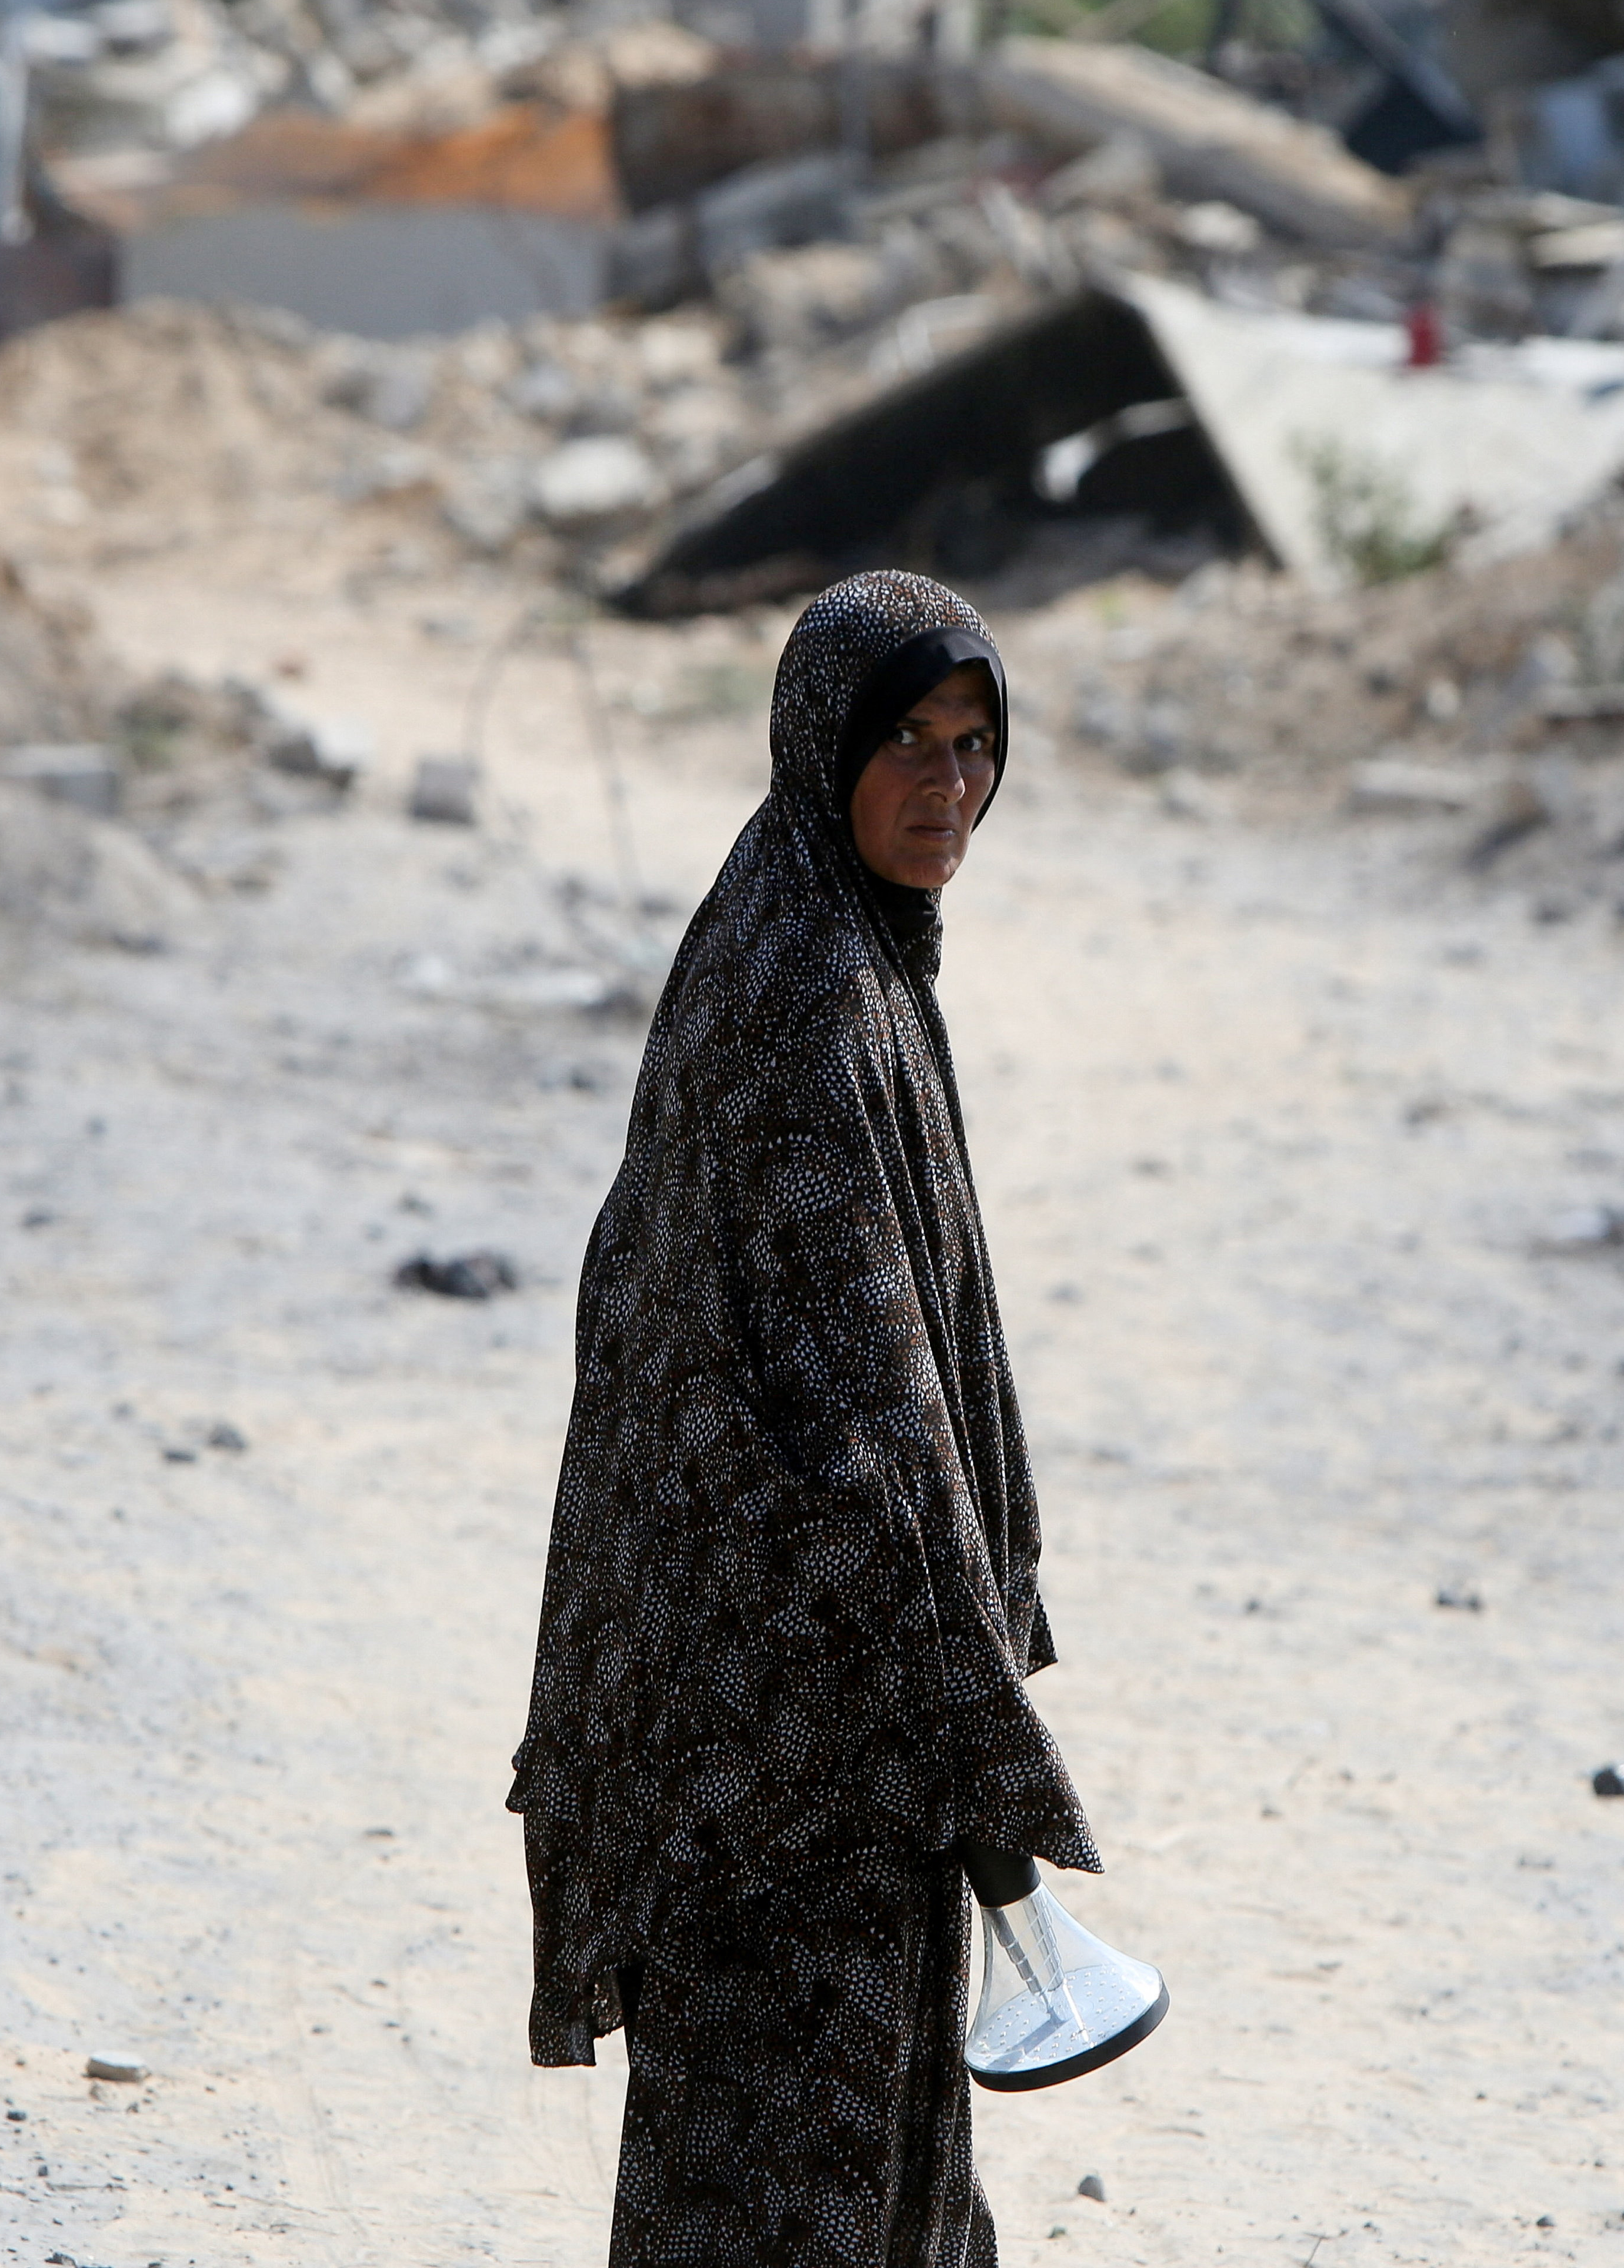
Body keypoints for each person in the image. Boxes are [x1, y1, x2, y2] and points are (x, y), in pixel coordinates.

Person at [509, 571, 1097, 2267]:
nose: (947, 786)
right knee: (798, 2180)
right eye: (906, 741)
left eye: (975, 745)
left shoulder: (813, 931)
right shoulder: (807, 1001)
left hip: (781, 1702)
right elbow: (866, 1430)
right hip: (787, 1736)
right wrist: (972, 1726)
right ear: (820, 743)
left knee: (833, 2169)